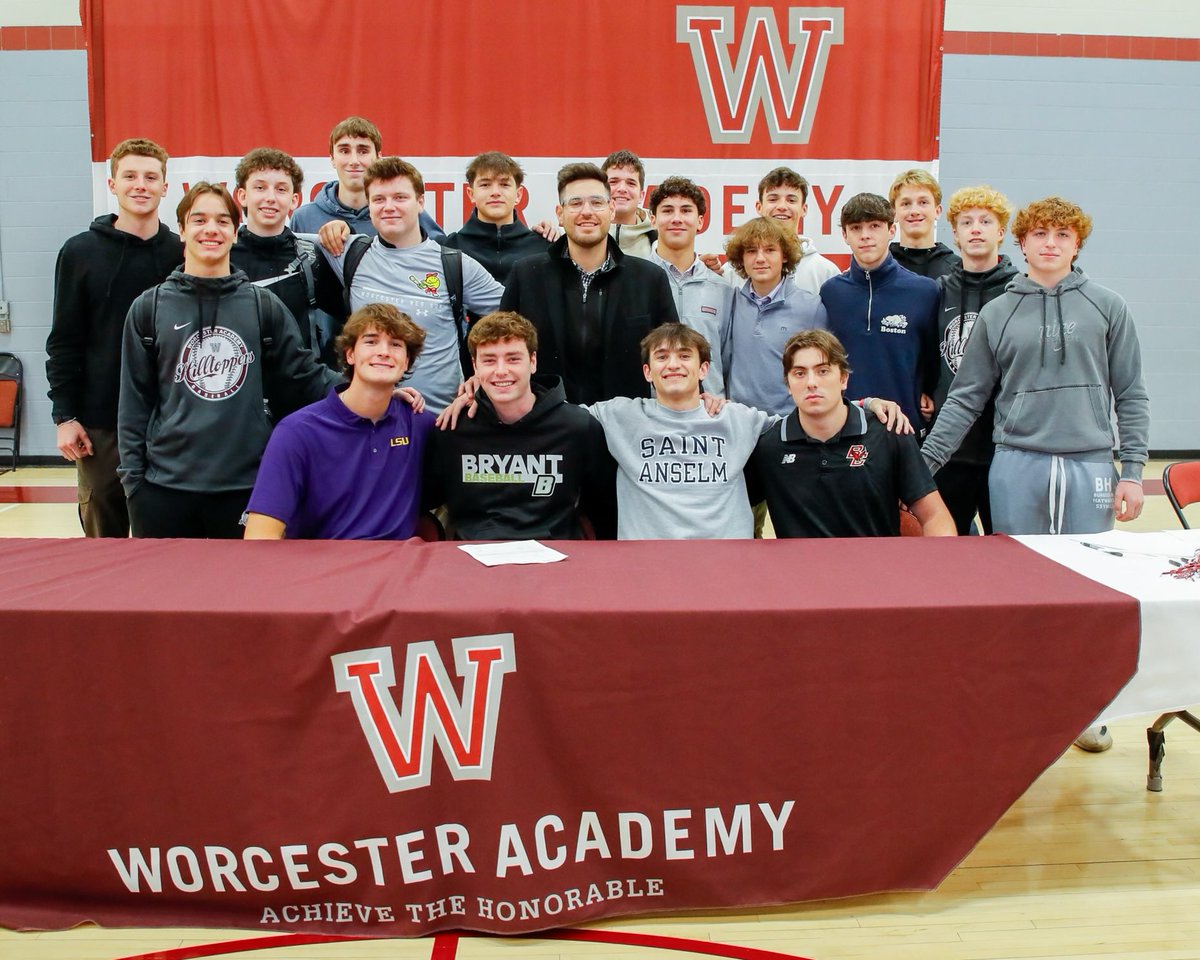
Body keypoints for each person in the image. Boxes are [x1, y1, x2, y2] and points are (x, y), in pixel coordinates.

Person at [920, 196, 1150, 754]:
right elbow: (965, 398)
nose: (1050, 243)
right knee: (1017, 591)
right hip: (1016, 464)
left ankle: (1086, 709)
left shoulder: (1108, 306)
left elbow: (1131, 393)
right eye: (1039, 234)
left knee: (1087, 593)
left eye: (1062, 236)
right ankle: (1018, 704)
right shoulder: (1000, 312)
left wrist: (1134, 470)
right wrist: (921, 470)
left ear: (1077, 244)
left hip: (1090, 464)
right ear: (1020, 243)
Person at [118, 183, 341, 539]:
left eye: (223, 221)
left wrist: (371, 389)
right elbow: (133, 403)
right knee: (165, 595)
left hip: (247, 488)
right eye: (199, 219)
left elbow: (307, 377)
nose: (211, 229)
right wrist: (134, 485)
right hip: (163, 491)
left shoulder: (261, 305)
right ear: (181, 230)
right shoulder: (149, 308)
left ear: (234, 232)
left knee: (242, 594)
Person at [45, 137, 182, 538]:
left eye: (150, 177)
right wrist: (65, 417)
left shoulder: (181, 253)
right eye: (130, 176)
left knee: (163, 536)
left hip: (169, 418)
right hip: (100, 420)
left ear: (165, 187)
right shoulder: (80, 252)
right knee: (104, 532)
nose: (141, 185)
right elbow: (64, 341)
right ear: (112, 185)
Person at [316, 156, 504, 411]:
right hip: (370, 421)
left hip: (441, 422)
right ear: (369, 206)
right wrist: (331, 228)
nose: (389, 207)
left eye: (400, 197)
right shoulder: (345, 252)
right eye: (379, 199)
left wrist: (487, 372)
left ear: (420, 202)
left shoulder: (456, 266)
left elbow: (519, 315)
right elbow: (276, 240)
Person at [244, 303, 434, 540]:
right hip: (323, 570)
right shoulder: (296, 432)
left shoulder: (420, 424)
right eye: (371, 341)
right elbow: (260, 538)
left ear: (406, 362)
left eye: (396, 344)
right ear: (350, 354)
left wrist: (473, 393)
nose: (384, 352)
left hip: (398, 570)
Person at [425, 311, 615, 539]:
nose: (501, 370)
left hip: (558, 558)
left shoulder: (578, 428)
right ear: (474, 366)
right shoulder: (453, 428)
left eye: (513, 358)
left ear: (532, 362)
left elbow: (603, 508)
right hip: (474, 559)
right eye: (489, 360)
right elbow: (422, 500)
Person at [500, 162, 679, 404]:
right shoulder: (526, 275)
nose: (587, 212)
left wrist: (698, 397)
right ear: (560, 214)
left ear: (611, 210)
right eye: (575, 203)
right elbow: (501, 349)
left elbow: (673, 356)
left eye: (597, 203)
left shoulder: (649, 279)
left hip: (622, 429)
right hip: (546, 425)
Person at [751, 329, 955, 537]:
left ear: (843, 379)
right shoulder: (769, 448)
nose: (811, 382)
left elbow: (934, 516)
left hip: (878, 567)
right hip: (800, 569)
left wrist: (937, 567)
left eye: (823, 371)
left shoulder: (888, 434)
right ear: (788, 384)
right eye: (800, 373)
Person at [585, 324, 772, 539]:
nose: (673, 365)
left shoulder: (737, 418)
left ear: (704, 369)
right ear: (647, 372)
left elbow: (801, 427)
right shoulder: (619, 415)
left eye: (684, 356)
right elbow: (552, 416)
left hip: (725, 561)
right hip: (647, 563)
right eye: (662, 357)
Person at [929, 185, 1019, 535]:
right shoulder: (940, 289)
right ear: (955, 233)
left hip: (1003, 447)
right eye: (967, 222)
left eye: (986, 221)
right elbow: (927, 353)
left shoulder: (1019, 290)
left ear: (1001, 231)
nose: (976, 228)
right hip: (953, 449)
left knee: (1008, 548)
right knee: (950, 554)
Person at [820, 192, 940, 432]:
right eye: (856, 228)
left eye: (874, 226)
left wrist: (929, 393)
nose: (865, 236)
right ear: (844, 235)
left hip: (903, 430)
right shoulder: (831, 293)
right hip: (844, 430)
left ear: (891, 230)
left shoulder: (925, 292)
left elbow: (934, 362)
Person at [229, 147, 340, 359]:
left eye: (281, 189)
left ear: (295, 200)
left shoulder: (312, 258)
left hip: (300, 385)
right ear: (242, 195)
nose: (270, 198)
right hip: (239, 384)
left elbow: (352, 321)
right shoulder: (223, 256)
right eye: (260, 187)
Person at [724, 217, 828, 416]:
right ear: (741, 258)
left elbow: (823, 371)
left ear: (785, 256)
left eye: (770, 250)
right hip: (739, 422)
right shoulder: (730, 302)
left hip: (790, 423)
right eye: (751, 251)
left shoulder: (811, 307)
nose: (760, 259)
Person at [647, 176, 733, 396]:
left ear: (701, 221)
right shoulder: (634, 280)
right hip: (649, 412)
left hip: (709, 412)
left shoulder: (722, 289)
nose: (677, 218)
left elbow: (728, 360)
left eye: (686, 210)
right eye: (667, 211)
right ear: (653, 220)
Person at [290, 116, 443, 239]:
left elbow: (437, 258)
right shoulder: (304, 218)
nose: (354, 161)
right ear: (332, 158)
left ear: (378, 157)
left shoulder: (402, 212)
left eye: (363, 151)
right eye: (344, 151)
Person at [705, 167, 839, 294]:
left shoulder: (826, 272)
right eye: (773, 199)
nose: (782, 206)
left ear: (804, 209)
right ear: (759, 207)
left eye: (791, 200)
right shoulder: (731, 271)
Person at [441, 151, 550, 283]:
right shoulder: (450, 248)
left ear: (519, 194)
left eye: (504, 185)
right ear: (471, 194)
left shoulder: (544, 248)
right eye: (485, 185)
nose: (495, 192)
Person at [887, 169, 959, 279]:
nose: (914, 211)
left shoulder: (958, 270)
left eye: (923, 202)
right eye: (906, 203)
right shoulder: (878, 266)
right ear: (894, 213)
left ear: (937, 211)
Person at [602, 149, 655, 259]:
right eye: (613, 182)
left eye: (631, 183)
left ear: (641, 195)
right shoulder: (579, 235)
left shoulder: (659, 240)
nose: (622, 189)